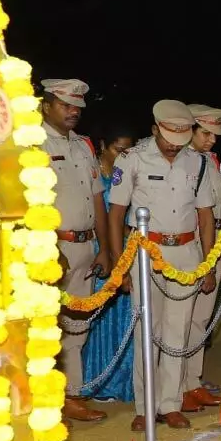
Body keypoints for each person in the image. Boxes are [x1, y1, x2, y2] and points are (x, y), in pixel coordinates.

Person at [108, 100, 218, 431]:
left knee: (178, 331)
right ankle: (146, 406)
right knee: (148, 330)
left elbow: (206, 215)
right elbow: (116, 213)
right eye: (169, 137)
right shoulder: (132, 160)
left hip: (186, 252)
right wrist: (120, 265)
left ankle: (170, 403)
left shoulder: (197, 163)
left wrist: (209, 264)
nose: (174, 146)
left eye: (182, 139)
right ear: (155, 129)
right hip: (144, 251)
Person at [43, 78, 111, 422]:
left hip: (85, 247)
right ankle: (44, 401)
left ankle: (72, 395)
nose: (73, 112)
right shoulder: (32, 143)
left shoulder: (83, 147)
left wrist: (104, 248)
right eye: (65, 105)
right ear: (46, 105)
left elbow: (97, 197)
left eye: (77, 107)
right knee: (46, 328)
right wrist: (48, 245)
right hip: (52, 250)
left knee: (77, 327)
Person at [81, 127, 138, 403]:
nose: (123, 155)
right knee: (100, 317)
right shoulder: (92, 171)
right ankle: (98, 381)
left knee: (125, 316)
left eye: (128, 149)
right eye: (118, 149)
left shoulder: (126, 172)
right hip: (99, 249)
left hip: (126, 248)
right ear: (103, 145)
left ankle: (124, 380)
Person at [179, 104, 221, 411]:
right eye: (205, 133)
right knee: (181, 320)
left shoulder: (209, 161)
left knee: (200, 319)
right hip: (192, 241)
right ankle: (177, 386)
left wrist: (218, 254)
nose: (211, 140)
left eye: (214, 134)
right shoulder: (184, 162)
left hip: (216, 240)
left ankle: (192, 381)